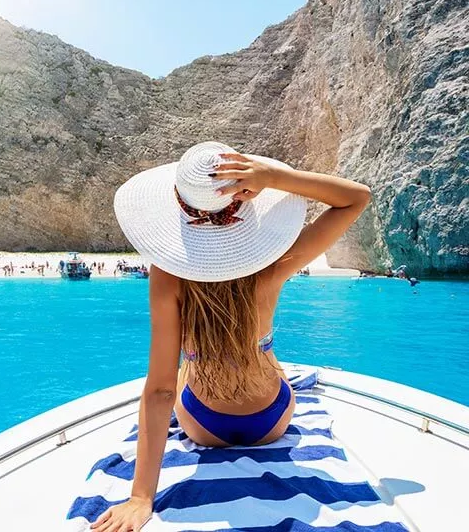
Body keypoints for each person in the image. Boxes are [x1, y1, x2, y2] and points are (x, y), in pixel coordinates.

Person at [93, 141, 371, 531]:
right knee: (265, 357)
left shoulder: (167, 276)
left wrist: (141, 498)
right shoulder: (275, 263)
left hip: (203, 425)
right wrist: (276, 177)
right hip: (271, 419)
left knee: (182, 371)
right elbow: (356, 198)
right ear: (247, 201)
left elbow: (159, 392)